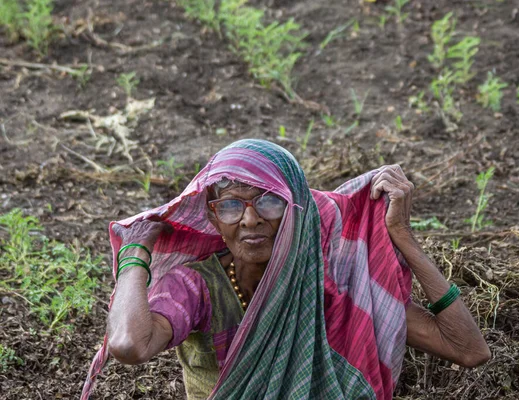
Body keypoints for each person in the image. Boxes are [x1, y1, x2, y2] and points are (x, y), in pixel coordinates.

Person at [81, 139, 490, 400]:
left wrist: (402, 235)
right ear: (212, 216)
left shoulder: (331, 285)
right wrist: (136, 252)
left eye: (269, 201)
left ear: (298, 211)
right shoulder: (198, 287)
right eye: (230, 205)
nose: (250, 219)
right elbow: (130, 345)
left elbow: (468, 350)